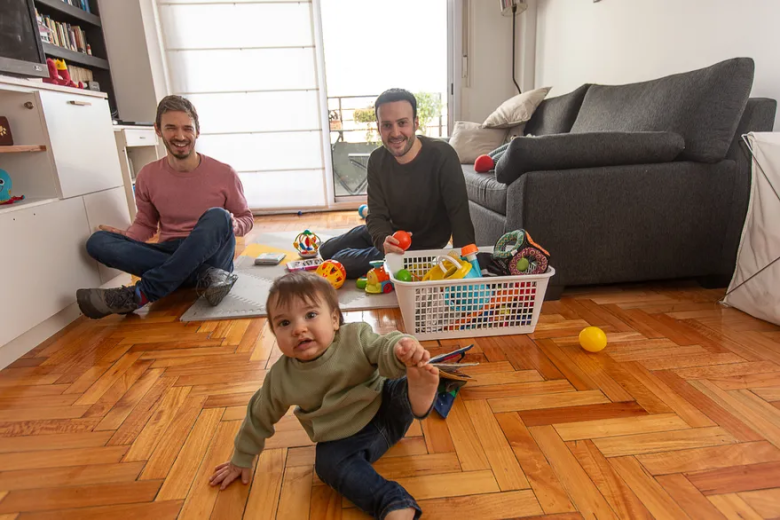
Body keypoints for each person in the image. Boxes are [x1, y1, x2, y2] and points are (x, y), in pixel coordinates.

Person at [209, 272, 439, 520]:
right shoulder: (281, 379)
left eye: (310, 315)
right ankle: (394, 504)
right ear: (275, 333)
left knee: (398, 383)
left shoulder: (356, 337)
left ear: (334, 320)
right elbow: (258, 417)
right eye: (284, 323)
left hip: (386, 407)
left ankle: (417, 391)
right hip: (343, 440)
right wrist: (241, 458)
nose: (298, 328)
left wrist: (400, 349)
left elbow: (383, 346)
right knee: (327, 464)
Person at [76, 95, 254, 319]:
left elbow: (246, 218)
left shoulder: (224, 173)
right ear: (158, 130)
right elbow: (146, 222)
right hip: (172, 250)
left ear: (197, 132)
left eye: (187, 128)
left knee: (217, 216)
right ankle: (203, 278)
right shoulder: (147, 175)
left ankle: (141, 294)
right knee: (98, 241)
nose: (180, 136)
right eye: (171, 128)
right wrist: (128, 237)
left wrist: (232, 223)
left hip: (213, 254)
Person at [320, 88, 475, 279]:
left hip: (413, 250)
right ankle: (370, 242)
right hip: (388, 237)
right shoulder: (377, 160)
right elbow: (376, 215)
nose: (395, 133)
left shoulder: (443, 155)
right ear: (378, 128)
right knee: (326, 250)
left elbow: (459, 215)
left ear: (415, 123)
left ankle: (369, 248)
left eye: (402, 123)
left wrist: (465, 264)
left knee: (338, 262)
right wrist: (383, 239)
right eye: (387, 125)